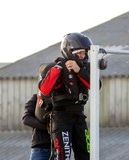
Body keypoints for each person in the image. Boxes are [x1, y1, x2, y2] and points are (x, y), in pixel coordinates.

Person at [39, 32, 99, 160]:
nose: (83, 56)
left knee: (86, 154)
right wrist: (58, 69)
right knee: (63, 155)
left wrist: (79, 70)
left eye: (85, 52)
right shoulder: (58, 68)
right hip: (61, 117)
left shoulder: (85, 68)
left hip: (79, 116)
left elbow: (95, 86)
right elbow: (44, 90)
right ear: (70, 51)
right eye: (80, 52)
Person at [22, 64, 55, 160]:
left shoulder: (61, 100)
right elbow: (26, 119)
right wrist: (47, 128)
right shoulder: (35, 98)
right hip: (40, 147)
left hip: (58, 148)